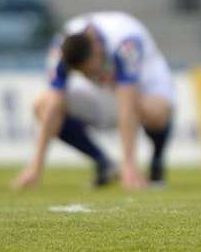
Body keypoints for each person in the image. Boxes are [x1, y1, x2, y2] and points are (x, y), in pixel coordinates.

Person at [11, 12, 174, 190]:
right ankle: (104, 163)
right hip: (106, 91)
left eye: (88, 70)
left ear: (97, 50)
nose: (88, 75)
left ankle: (157, 161)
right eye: (81, 73)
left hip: (144, 85)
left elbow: (127, 105)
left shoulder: (126, 42)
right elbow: (52, 106)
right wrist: (36, 166)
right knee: (41, 106)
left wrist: (129, 164)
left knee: (158, 112)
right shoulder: (61, 49)